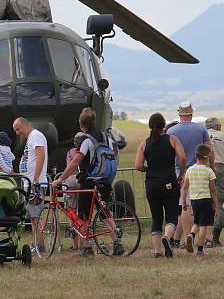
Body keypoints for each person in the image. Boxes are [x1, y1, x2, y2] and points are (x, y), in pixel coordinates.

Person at [51, 108, 120, 256]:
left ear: (81, 124)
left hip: (89, 180)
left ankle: (87, 247)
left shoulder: (85, 139)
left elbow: (76, 161)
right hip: (105, 179)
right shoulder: (105, 136)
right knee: (104, 212)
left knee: (83, 215)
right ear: (94, 121)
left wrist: (61, 178)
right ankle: (117, 242)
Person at [134, 112, 186, 258]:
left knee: (156, 217)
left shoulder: (145, 143)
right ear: (164, 125)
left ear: (150, 126)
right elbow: (182, 157)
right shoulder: (172, 140)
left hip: (151, 183)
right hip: (169, 181)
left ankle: (157, 251)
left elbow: (138, 165)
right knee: (171, 216)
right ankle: (167, 237)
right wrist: (182, 172)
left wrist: (148, 169)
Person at [168, 101, 214, 246]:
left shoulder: (171, 131)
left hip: (180, 171)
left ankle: (189, 236)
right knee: (204, 204)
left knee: (185, 205)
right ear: (191, 113)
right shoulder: (200, 129)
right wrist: (212, 167)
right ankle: (205, 237)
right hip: (200, 168)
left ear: (179, 114)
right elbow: (209, 150)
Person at [13, 117, 48, 253]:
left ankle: (40, 245)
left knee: (36, 216)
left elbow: (41, 156)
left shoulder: (36, 136)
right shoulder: (31, 137)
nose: (17, 133)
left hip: (35, 184)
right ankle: (36, 244)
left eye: (18, 129)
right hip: (30, 184)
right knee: (33, 217)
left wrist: (36, 179)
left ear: (26, 125)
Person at [181, 144, 218, 256]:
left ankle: (191, 235)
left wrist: (183, 202)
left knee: (197, 222)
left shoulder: (190, 170)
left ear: (196, 156)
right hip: (206, 200)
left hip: (194, 201)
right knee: (203, 226)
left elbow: (185, 187)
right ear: (207, 157)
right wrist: (215, 203)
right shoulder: (209, 171)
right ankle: (200, 250)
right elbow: (213, 190)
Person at [206, 118, 224, 246]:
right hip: (220, 169)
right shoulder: (223, 135)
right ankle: (215, 238)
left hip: (202, 170)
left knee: (204, 203)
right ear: (217, 126)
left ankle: (203, 236)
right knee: (220, 203)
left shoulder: (203, 135)